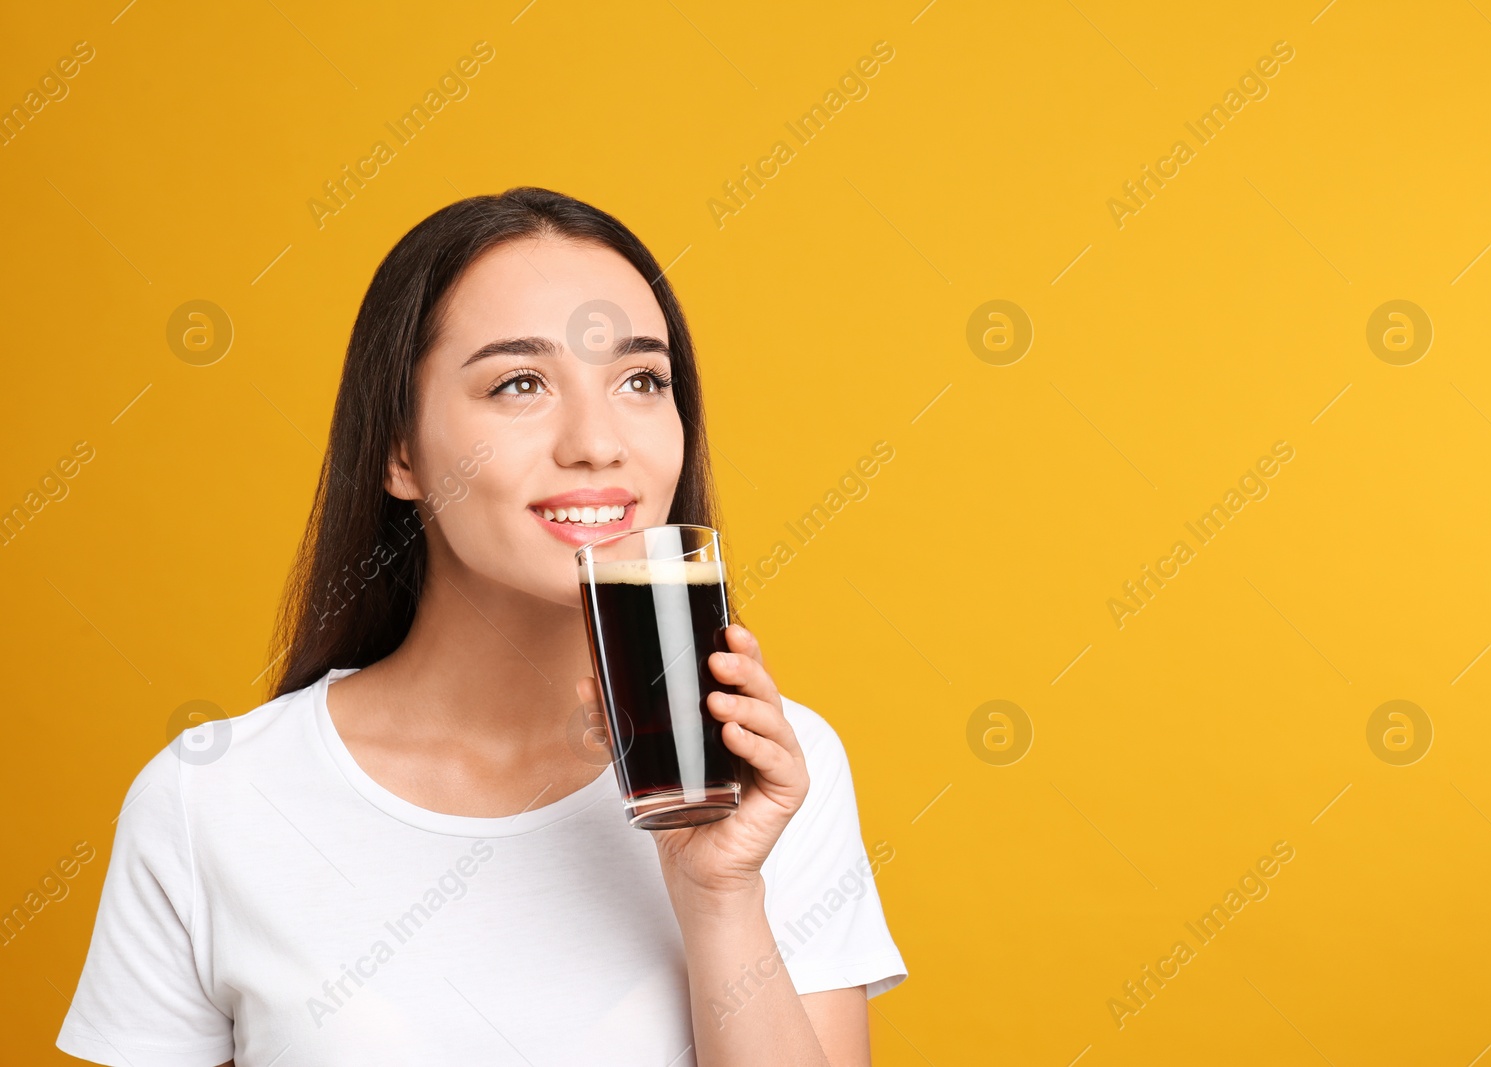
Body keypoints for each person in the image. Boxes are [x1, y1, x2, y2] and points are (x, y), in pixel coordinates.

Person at [55, 187, 907, 1066]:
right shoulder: (213, 802)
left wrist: (718, 894)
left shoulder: (770, 772)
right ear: (400, 452)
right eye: (521, 383)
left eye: (641, 379)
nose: (598, 441)